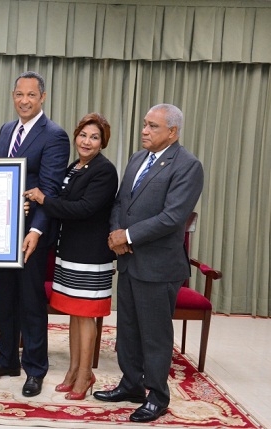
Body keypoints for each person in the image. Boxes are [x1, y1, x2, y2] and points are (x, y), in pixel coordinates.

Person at [93, 104, 204, 423]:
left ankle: (158, 396)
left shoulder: (187, 165)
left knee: (154, 335)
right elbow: (120, 201)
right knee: (128, 329)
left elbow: (173, 217)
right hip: (129, 262)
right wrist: (116, 233)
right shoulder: (137, 158)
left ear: (173, 132)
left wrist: (127, 236)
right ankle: (131, 385)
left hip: (158, 267)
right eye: (144, 124)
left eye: (153, 126)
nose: (144, 130)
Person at [0, 71, 70, 397]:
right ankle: (6, 360)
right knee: (5, 297)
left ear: (42, 97)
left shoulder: (55, 136)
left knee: (31, 302)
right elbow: (1, 174)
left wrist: (35, 230)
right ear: (13, 96)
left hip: (32, 234)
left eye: (31, 95)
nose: (24, 101)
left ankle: (35, 368)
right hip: (1, 231)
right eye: (19, 94)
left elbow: (50, 189)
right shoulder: (6, 130)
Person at [24, 113, 118, 400]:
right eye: (83, 135)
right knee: (75, 317)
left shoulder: (104, 170)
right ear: (76, 136)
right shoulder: (74, 167)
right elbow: (62, 203)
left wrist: (44, 200)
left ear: (102, 142)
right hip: (69, 253)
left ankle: (84, 375)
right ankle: (75, 370)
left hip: (90, 256)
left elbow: (83, 209)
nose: (86, 141)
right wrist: (36, 204)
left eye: (94, 137)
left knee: (86, 316)